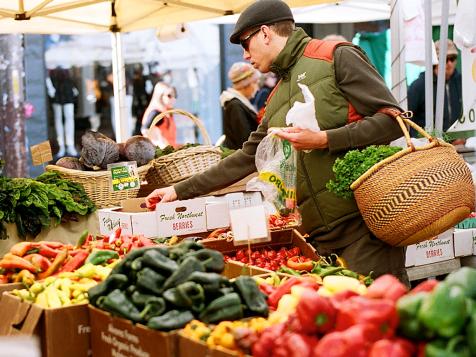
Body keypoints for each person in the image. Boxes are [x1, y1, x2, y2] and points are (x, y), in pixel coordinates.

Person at [146, 0, 408, 284]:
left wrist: (325, 139)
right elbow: (248, 156)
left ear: (265, 33)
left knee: (379, 320)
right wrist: (179, 190)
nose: (245, 56)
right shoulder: (276, 97)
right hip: (319, 242)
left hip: (364, 232)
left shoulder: (335, 57)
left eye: (245, 45)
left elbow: (395, 120)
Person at [407, 39, 463, 136]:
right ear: (435, 61)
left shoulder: (461, 82)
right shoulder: (419, 86)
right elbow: (407, 118)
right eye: (445, 59)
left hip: (458, 143)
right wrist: (418, 141)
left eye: (452, 58)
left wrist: (462, 136)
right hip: (428, 145)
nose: (449, 63)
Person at [221, 62, 260, 149]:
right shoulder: (235, 106)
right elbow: (245, 140)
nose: (257, 88)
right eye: (255, 82)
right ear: (245, 84)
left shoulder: (238, 103)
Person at [46, 66, 79, 157]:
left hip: (67, 87)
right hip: (55, 85)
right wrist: (49, 86)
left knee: (69, 118)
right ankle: (61, 147)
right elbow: (46, 71)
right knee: (58, 119)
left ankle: (70, 145)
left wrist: (73, 86)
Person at [140, 82, 177, 148]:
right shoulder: (156, 112)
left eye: (175, 95)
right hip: (162, 154)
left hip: (170, 152)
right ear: (160, 95)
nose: (173, 99)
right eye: (169, 96)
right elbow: (145, 130)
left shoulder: (166, 112)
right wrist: (160, 143)